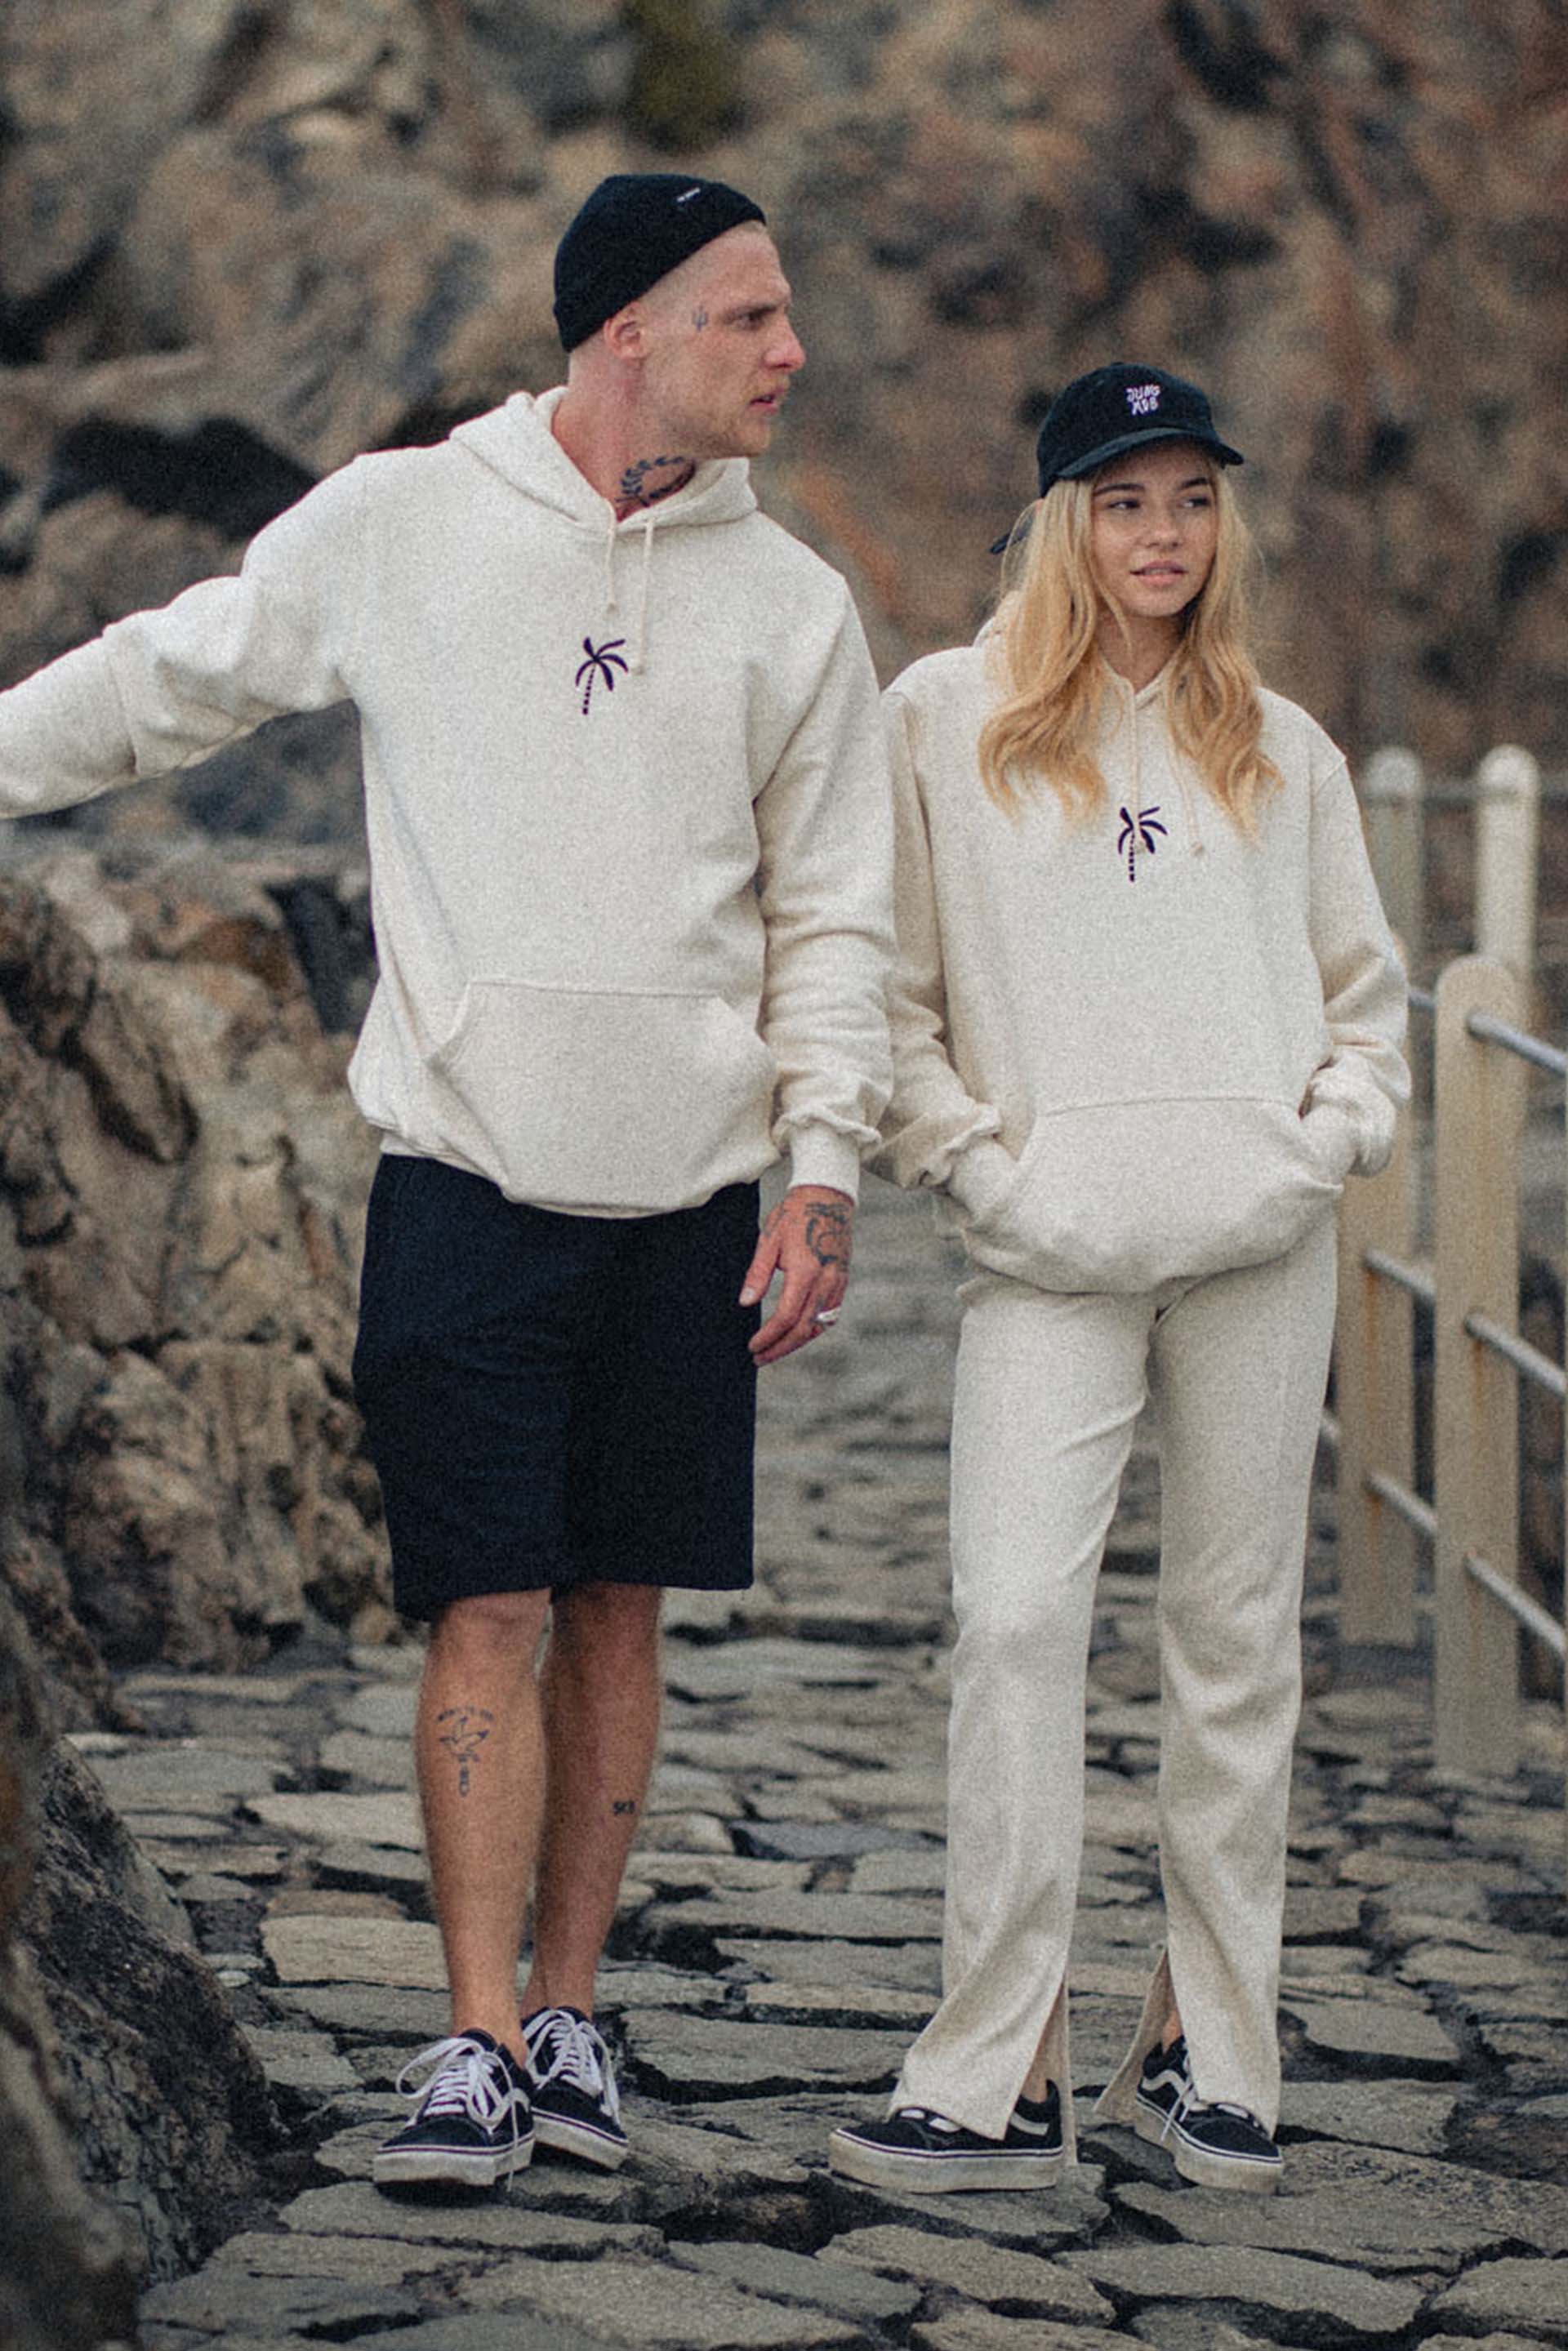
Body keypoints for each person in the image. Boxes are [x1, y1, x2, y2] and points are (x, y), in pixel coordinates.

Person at [0, 173, 893, 2191]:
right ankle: (476, 2034)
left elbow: (839, 914)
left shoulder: (794, 605)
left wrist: (823, 1166)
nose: (790, 350)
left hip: (692, 1198)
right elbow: (169, 674)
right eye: (750, 314)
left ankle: (572, 2016)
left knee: (619, 1612)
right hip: (467, 1179)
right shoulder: (406, 523)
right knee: (483, 1609)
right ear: (629, 332)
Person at [827, 362, 1407, 2199]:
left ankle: (1218, 2055)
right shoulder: (943, 718)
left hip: (1260, 1251)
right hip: (1047, 1257)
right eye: (1126, 500)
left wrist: (1319, 1145)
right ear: (1061, 518)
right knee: (1012, 1627)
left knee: (1235, 1651)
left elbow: (1368, 1006)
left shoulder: (1282, 747)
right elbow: (890, 994)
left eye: (1193, 499)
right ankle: (997, 2067)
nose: (1164, 535)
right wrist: (975, 1165)